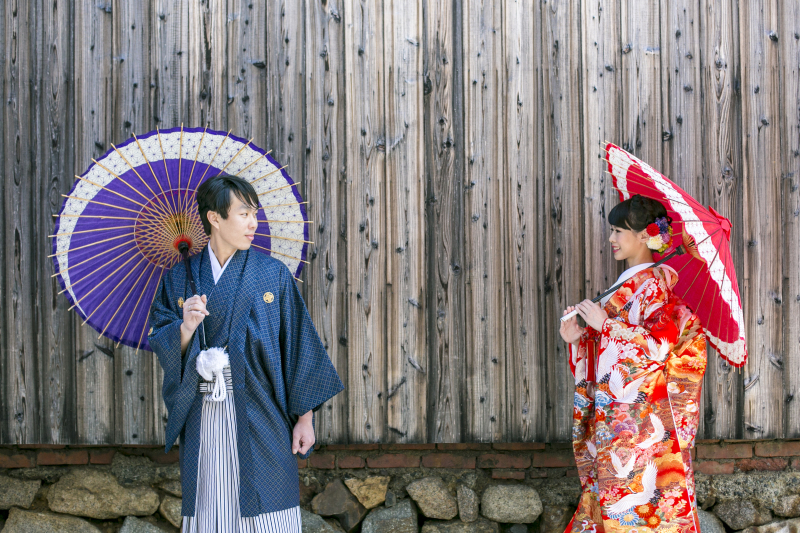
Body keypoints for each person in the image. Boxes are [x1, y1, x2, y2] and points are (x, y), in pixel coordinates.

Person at [148, 174, 344, 532]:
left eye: (255, 213)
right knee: (212, 507)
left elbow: (297, 344)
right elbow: (162, 341)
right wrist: (185, 328)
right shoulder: (179, 279)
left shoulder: (272, 276)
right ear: (215, 218)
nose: (254, 223)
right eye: (244, 213)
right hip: (203, 413)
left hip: (262, 414)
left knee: (269, 510)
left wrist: (305, 418)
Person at [560, 195, 706, 533]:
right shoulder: (627, 285)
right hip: (616, 415)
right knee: (611, 492)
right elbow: (611, 348)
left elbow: (658, 348)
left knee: (638, 497)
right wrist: (579, 339)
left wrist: (606, 325)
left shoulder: (655, 286)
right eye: (611, 231)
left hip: (641, 419)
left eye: (618, 231)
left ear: (644, 235)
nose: (611, 239)